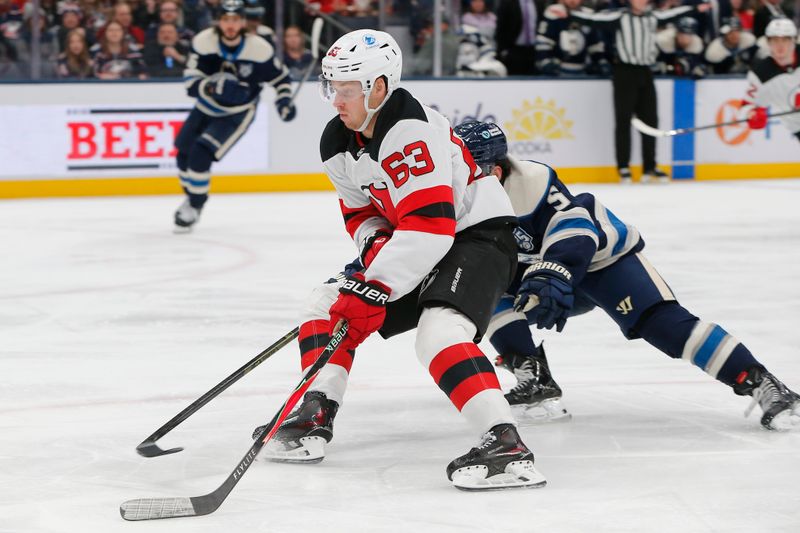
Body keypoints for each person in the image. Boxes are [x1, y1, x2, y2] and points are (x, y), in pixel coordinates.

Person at [254, 29, 546, 491]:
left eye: (346, 89)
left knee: (439, 332)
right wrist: (373, 260)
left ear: (379, 87)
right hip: (421, 242)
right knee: (324, 304)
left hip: (478, 237)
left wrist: (377, 286)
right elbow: (362, 214)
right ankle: (315, 414)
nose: (336, 100)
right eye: (331, 87)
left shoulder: (411, 128)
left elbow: (432, 228)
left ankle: (506, 446)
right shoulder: (337, 140)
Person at [451, 120, 800, 431]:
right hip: (535, 267)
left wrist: (555, 268)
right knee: (480, 286)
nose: (457, 178)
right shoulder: (461, 191)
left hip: (601, 259)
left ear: (495, 172)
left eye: (467, 169)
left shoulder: (535, 183)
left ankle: (763, 383)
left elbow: (576, 229)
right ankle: (533, 373)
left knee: (665, 326)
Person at [172, 0, 295, 232]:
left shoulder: (258, 48)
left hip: (237, 113)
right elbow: (190, 80)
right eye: (226, 19)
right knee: (182, 154)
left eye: (236, 19)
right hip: (205, 106)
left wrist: (284, 100)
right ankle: (191, 197)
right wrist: (209, 87)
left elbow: (281, 78)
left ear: (243, 21)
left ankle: (195, 206)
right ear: (219, 21)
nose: (231, 25)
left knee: (200, 153)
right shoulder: (203, 42)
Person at [564, 0, 711, 184]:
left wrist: (696, 8)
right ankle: (623, 167)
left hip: (645, 72)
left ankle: (649, 167)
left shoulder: (653, 17)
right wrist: (570, 13)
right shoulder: (620, 16)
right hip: (625, 72)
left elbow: (674, 14)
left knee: (651, 120)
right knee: (624, 120)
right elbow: (594, 19)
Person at [743, 17, 800, 142]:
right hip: (797, 126)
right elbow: (745, 107)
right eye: (774, 40)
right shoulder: (760, 72)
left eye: (784, 40)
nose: (779, 46)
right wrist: (752, 114)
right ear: (768, 42)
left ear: (793, 41)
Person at [536, 0, 611, 77]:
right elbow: (544, 41)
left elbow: (594, 43)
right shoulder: (553, 13)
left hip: (582, 71)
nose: (572, 1)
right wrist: (545, 61)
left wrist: (601, 61)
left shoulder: (588, 14)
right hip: (556, 71)